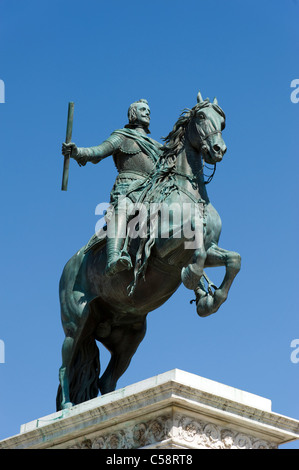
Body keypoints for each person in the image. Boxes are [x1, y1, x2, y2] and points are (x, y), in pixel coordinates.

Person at [62, 99, 163, 276]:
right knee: (123, 209)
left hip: (152, 190)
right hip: (128, 188)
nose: (147, 113)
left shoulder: (157, 146)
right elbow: (98, 151)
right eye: (143, 110)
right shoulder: (122, 136)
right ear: (133, 114)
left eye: (149, 111)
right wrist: (77, 152)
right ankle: (113, 259)